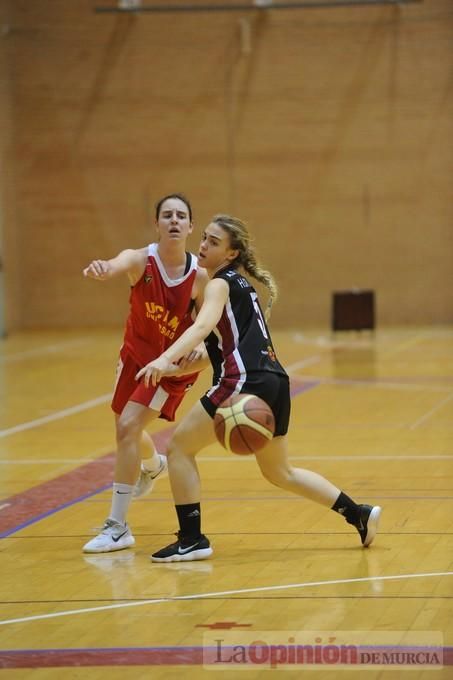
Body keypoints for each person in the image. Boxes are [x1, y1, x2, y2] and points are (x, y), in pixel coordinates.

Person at [136, 214, 382, 562]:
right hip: (275, 382)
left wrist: (163, 359)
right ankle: (358, 513)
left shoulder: (219, 284)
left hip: (244, 381)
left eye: (213, 242)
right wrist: (172, 368)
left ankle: (192, 539)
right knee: (279, 472)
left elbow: (203, 326)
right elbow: (216, 350)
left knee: (178, 450)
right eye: (203, 238)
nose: (203, 246)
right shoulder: (241, 287)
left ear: (232, 253)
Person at [82, 193, 210, 553]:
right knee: (123, 424)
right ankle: (153, 466)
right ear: (156, 224)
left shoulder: (198, 279)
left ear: (189, 226)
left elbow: (205, 330)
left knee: (128, 427)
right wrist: (104, 268)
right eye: (166, 215)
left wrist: (194, 354)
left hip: (169, 369)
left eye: (180, 215)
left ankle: (118, 527)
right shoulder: (141, 260)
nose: (173, 220)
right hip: (136, 357)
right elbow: (117, 262)